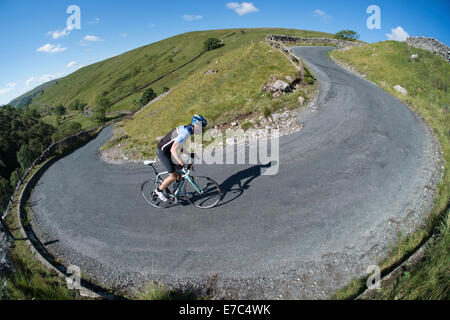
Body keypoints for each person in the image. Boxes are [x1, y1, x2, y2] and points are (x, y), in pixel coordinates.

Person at [155, 114, 207, 201]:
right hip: (163, 152)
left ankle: (176, 191)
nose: (202, 130)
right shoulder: (186, 132)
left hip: (169, 150)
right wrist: (182, 163)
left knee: (180, 172)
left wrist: (189, 154)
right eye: (202, 128)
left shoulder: (189, 130)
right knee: (173, 176)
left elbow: (179, 145)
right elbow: (173, 150)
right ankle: (159, 190)